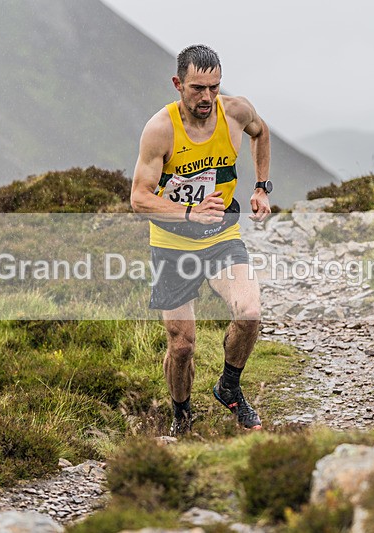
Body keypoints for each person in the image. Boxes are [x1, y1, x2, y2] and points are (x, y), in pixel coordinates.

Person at [130, 44, 273, 436]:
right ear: (178, 84)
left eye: (213, 87)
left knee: (249, 312)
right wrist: (190, 213)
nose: (206, 97)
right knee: (182, 346)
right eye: (197, 88)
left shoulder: (235, 112)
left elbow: (262, 132)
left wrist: (261, 186)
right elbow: (139, 198)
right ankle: (181, 416)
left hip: (221, 236)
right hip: (173, 245)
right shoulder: (161, 129)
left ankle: (229, 386)